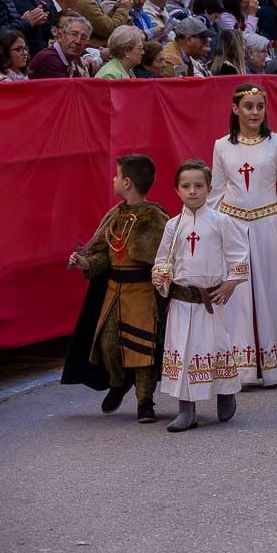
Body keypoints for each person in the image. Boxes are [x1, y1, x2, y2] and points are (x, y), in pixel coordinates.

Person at [206, 84, 277, 386]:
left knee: (270, 291)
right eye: (248, 106)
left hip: (266, 225)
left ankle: (276, 364)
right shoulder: (222, 146)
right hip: (233, 226)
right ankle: (240, 367)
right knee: (237, 296)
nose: (255, 112)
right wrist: (207, 227)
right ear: (236, 109)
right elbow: (216, 191)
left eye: (259, 106)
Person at [61, 155, 169, 422]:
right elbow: (105, 257)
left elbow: (166, 258)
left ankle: (145, 403)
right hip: (113, 294)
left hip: (142, 295)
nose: (113, 179)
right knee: (108, 345)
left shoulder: (155, 219)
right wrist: (86, 261)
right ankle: (118, 382)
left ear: (127, 182)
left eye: (117, 175)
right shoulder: (114, 216)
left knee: (143, 351)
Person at [152, 160, 248, 432]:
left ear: (209, 188)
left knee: (215, 347)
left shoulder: (221, 222)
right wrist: (160, 275)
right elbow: (163, 259)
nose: (192, 191)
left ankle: (225, 391)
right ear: (177, 190)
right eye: (186, 186)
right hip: (182, 301)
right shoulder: (173, 226)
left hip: (211, 301)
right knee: (182, 351)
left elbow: (238, 256)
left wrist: (230, 284)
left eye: (198, 186)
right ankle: (186, 409)